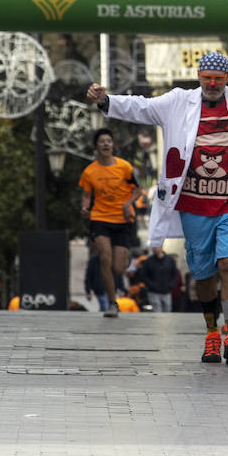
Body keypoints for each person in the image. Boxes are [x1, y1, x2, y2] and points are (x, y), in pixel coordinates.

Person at [87, 50, 228, 365]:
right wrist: (107, 101)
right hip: (193, 204)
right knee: (204, 274)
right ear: (199, 77)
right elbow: (142, 107)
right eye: (207, 78)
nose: (212, 84)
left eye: (218, 79)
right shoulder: (178, 101)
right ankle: (211, 335)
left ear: (227, 80)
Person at [79, 127, 139, 317]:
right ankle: (113, 303)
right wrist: (85, 208)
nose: (106, 144)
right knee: (104, 258)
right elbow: (87, 195)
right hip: (100, 218)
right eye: (102, 141)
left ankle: (125, 258)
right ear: (96, 146)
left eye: (109, 141)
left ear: (113, 145)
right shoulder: (89, 172)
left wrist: (127, 204)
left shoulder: (124, 167)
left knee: (118, 268)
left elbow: (138, 190)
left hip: (123, 219)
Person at [140, 246, 179, 314]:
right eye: (153, 246)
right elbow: (144, 275)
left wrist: (171, 285)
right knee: (157, 311)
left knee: (167, 310)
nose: (154, 248)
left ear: (161, 247)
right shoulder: (148, 260)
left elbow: (175, 274)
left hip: (166, 291)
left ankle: (166, 325)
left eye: (156, 246)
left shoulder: (170, 260)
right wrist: (151, 285)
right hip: (153, 291)